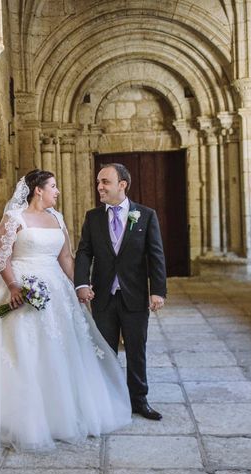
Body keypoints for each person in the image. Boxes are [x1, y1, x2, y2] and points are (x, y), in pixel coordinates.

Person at [0, 169, 131, 453]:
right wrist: (15, 286)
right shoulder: (14, 218)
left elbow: (65, 256)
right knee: (18, 349)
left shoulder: (57, 218)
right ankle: (14, 417)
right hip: (19, 287)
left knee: (61, 348)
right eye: (53, 186)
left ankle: (62, 410)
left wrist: (78, 286)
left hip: (55, 289)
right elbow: (2, 257)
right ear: (38, 190)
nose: (57, 191)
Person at [75, 163, 167, 421]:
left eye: (105, 182)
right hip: (103, 296)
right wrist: (82, 283)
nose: (99, 187)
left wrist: (158, 290)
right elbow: (84, 252)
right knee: (104, 350)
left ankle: (139, 400)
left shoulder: (146, 215)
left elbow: (156, 255)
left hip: (134, 295)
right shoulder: (92, 217)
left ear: (122, 185)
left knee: (137, 349)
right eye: (98, 182)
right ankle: (108, 399)